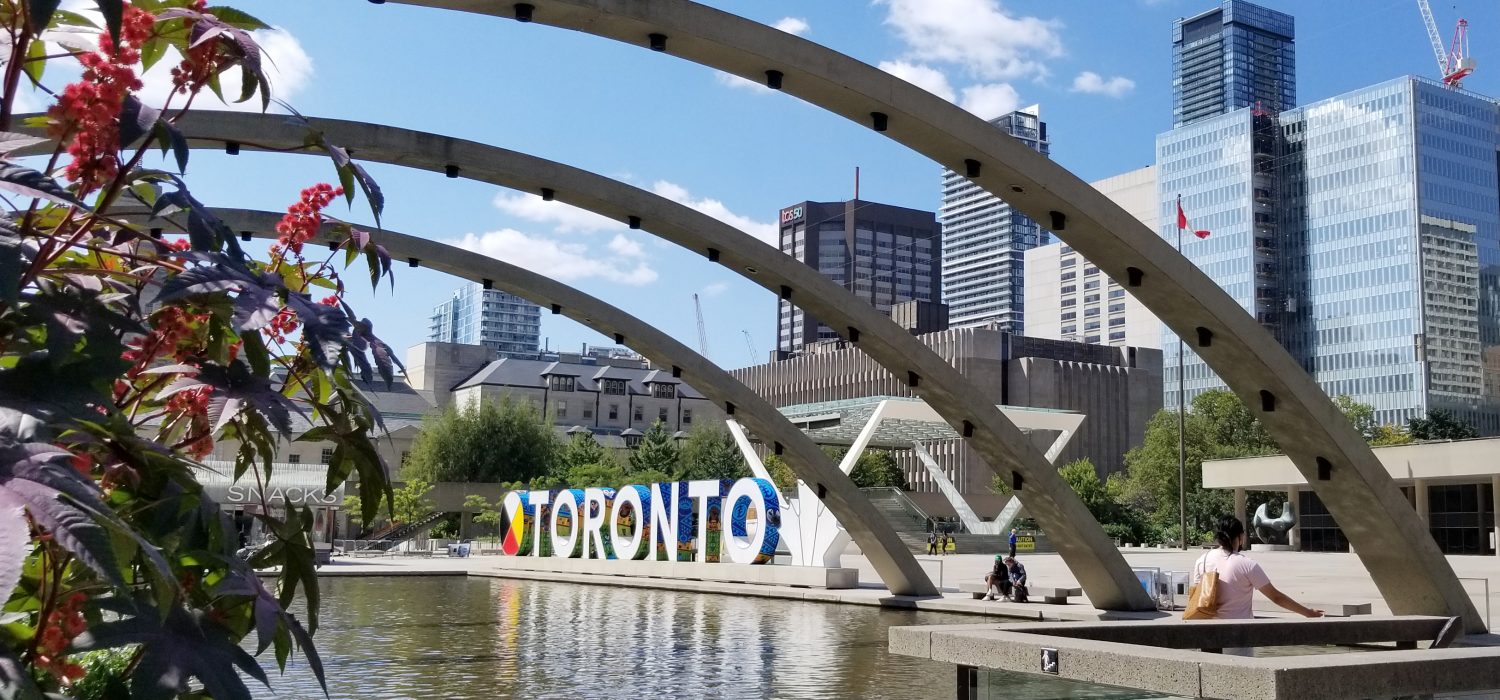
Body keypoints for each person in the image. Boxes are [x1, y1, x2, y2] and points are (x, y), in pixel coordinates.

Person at [1189, 515, 1323, 656]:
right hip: (1238, 635)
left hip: (1208, 634)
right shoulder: (1246, 564)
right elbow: (1276, 597)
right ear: (1241, 536)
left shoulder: (1202, 560)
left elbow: (1197, 598)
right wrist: (1308, 613)